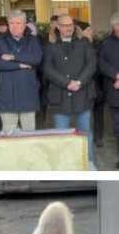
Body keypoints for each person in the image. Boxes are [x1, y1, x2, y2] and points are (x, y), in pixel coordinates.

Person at [45, 14, 98, 169]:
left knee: (85, 131)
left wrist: (79, 82)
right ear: (58, 26)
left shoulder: (84, 43)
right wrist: (67, 83)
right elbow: (48, 69)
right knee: (61, 134)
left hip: (82, 94)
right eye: (65, 25)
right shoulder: (50, 45)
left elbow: (91, 65)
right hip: (60, 96)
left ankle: (89, 162)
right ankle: (63, 165)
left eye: (71, 25)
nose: (69, 28)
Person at [0, 10, 43, 133]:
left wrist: (13, 57)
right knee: (9, 134)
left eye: (18, 23)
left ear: (24, 25)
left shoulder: (33, 40)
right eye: (12, 23)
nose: (14, 26)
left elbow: (36, 59)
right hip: (6, 94)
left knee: (29, 133)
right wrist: (19, 65)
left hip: (28, 93)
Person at [79, 21, 106, 148]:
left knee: (98, 112)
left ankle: (98, 136)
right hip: (84, 85)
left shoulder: (98, 44)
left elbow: (101, 62)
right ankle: (84, 136)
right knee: (84, 113)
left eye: (91, 29)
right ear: (81, 32)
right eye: (88, 30)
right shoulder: (78, 45)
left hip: (98, 83)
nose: (91, 32)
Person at [99, 12, 119, 168]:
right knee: (118, 127)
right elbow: (101, 64)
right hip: (114, 92)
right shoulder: (105, 43)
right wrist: (116, 76)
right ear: (115, 27)